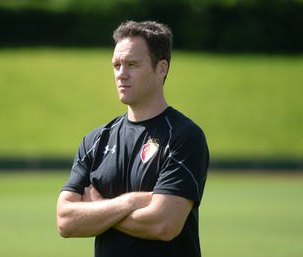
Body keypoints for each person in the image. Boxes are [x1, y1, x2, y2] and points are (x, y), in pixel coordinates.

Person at [57, 20, 209, 257]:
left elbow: (164, 224)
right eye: (116, 65)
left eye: (132, 64)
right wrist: (130, 203)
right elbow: (65, 221)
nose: (121, 74)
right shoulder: (95, 141)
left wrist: (96, 209)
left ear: (161, 69)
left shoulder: (184, 136)